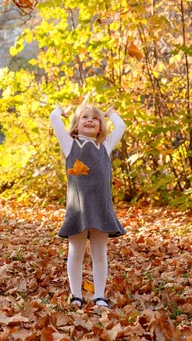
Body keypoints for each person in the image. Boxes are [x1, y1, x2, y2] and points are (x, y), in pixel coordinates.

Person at [50, 103, 127, 309]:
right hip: (78, 210)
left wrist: (110, 113)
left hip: (101, 209)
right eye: (85, 117)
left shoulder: (105, 146)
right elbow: (54, 119)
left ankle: (99, 296)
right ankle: (76, 295)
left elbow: (121, 126)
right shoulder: (70, 144)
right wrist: (60, 111)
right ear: (76, 125)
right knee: (76, 252)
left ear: (101, 126)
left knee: (99, 253)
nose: (90, 120)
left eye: (95, 118)